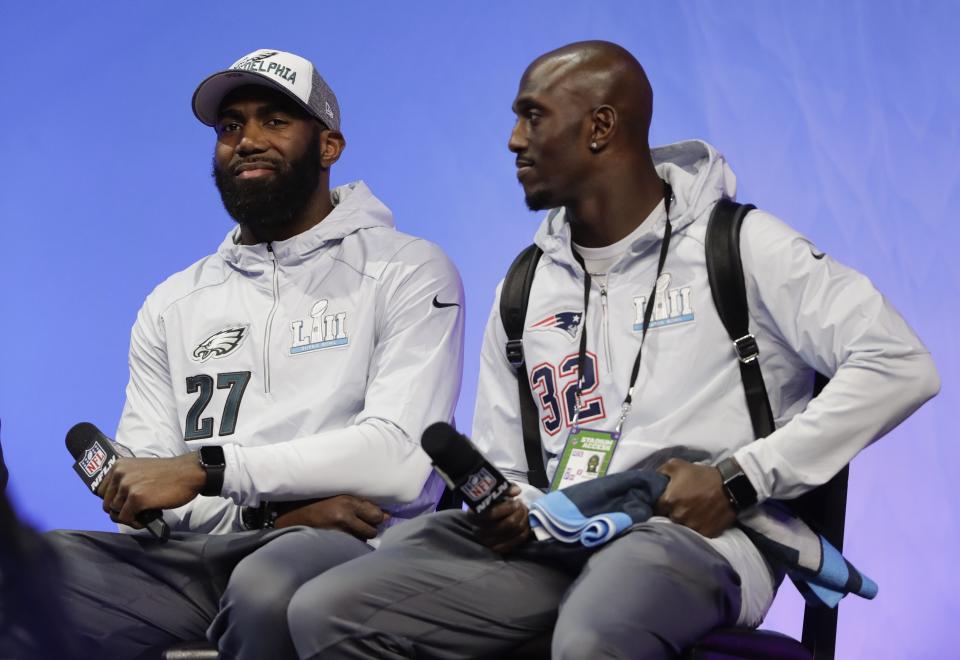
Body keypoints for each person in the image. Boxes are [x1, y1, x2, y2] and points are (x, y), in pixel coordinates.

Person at [285, 41, 940, 659]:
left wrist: (741, 479)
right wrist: (510, 506)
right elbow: (507, 460)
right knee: (326, 608)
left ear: (599, 127)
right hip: (558, 539)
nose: (514, 140)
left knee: (598, 627)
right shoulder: (526, 284)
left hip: (698, 540)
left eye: (533, 117)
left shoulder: (739, 246)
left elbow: (899, 364)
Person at [42, 48, 465, 660]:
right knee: (31, 571)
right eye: (231, 126)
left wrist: (207, 469)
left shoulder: (406, 268)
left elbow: (399, 460)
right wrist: (263, 520)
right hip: (205, 557)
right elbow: (156, 487)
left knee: (267, 589)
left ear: (329, 147)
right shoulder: (174, 301)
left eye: (274, 120)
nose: (246, 140)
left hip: (358, 548)